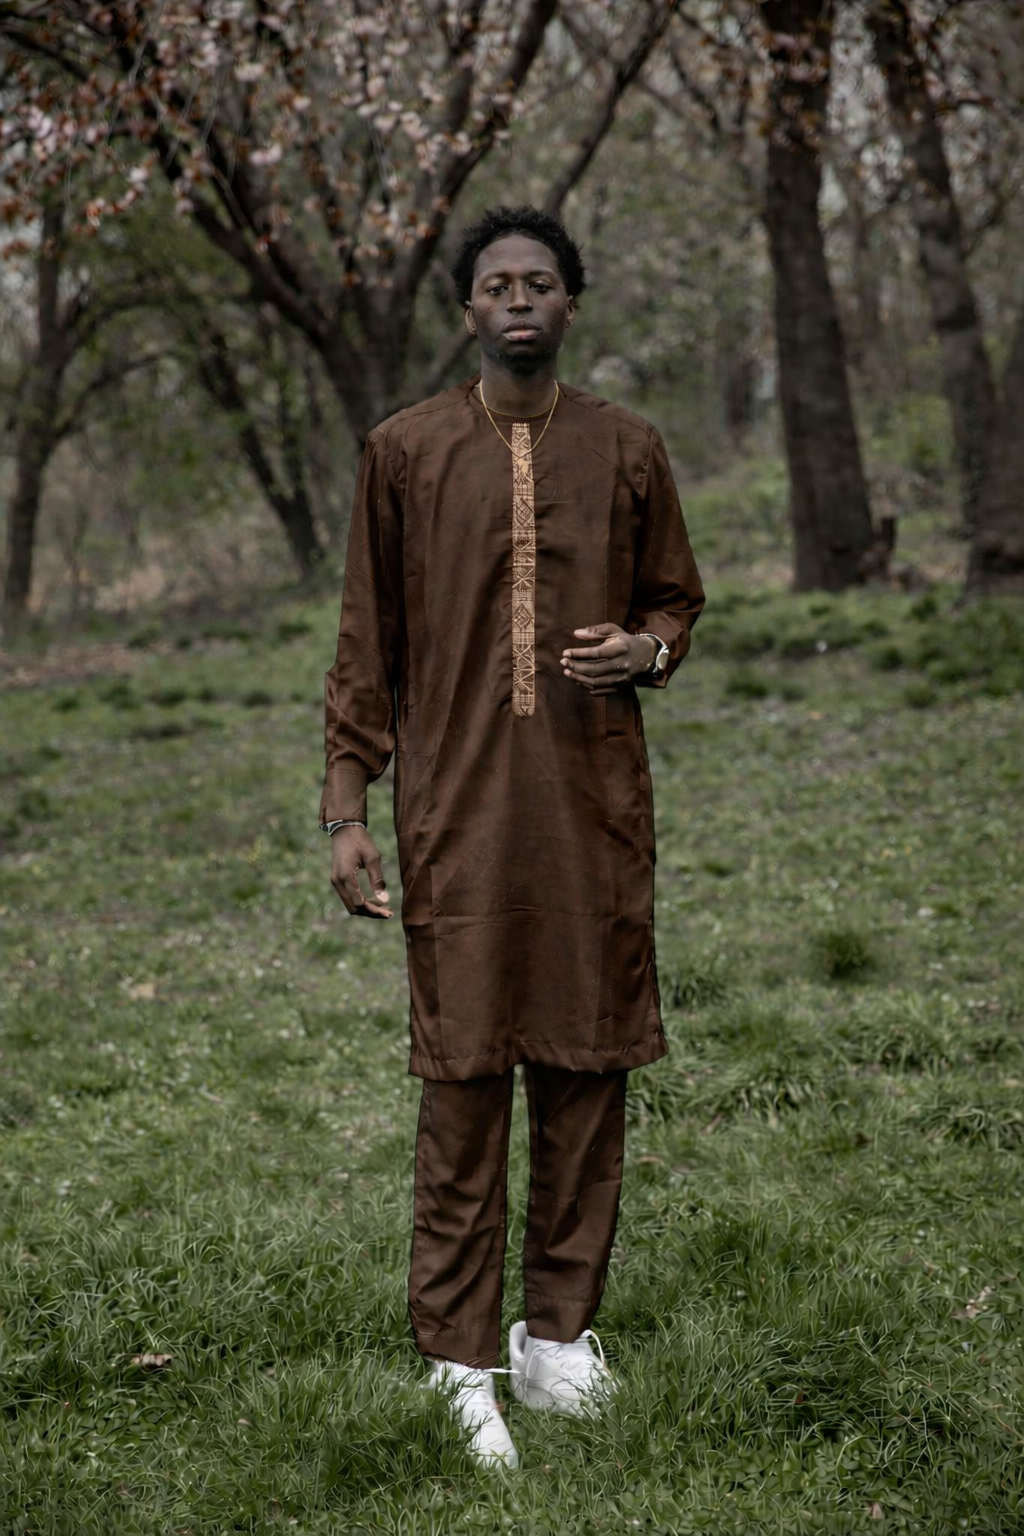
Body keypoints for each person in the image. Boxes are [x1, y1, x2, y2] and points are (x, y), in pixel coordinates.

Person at [319, 203, 705, 1469]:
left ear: (570, 304)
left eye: (541, 282)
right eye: (498, 284)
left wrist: (646, 650)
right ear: (468, 309)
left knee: (590, 1070)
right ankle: (458, 1359)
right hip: (458, 818)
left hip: (593, 812)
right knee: (466, 1075)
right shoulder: (406, 450)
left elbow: (675, 599)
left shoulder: (627, 446)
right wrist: (348, 806)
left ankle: (557, 1340)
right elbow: (367, 639)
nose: (520, 300)